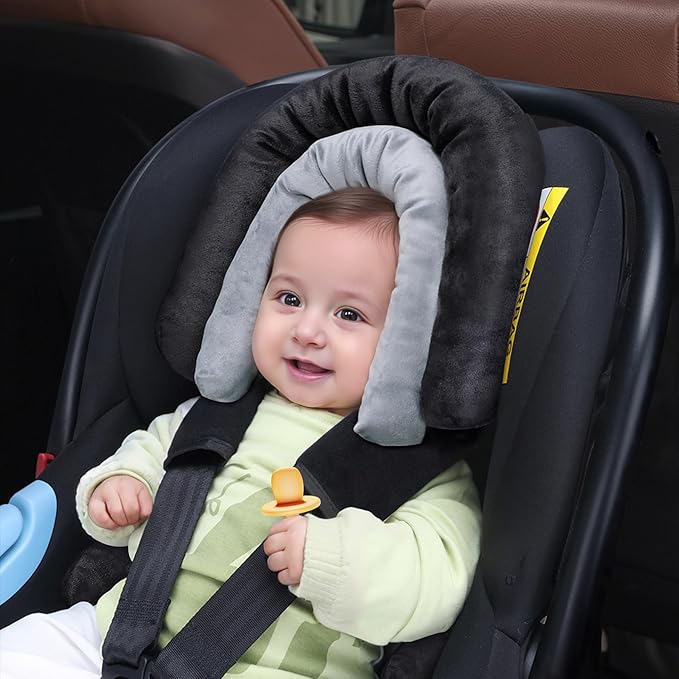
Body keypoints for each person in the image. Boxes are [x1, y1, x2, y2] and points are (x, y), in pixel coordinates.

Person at [0, 188, 482, 679]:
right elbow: (149, 449)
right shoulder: (214, 414)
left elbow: (437, 581)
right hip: (116, 635)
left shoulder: (421, 471)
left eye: (349, 314)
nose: (307, 331)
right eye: (290, 299)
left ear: (412, 340)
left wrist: (334, 562)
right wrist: (121, 486)